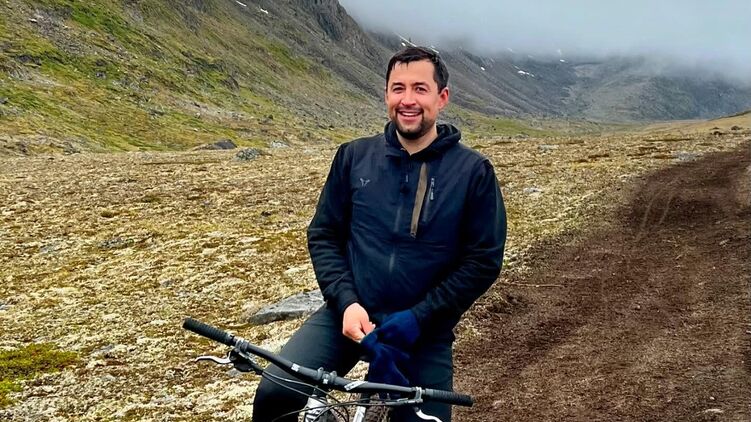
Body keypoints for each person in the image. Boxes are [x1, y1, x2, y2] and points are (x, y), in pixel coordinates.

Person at [253, 46, 506, 422]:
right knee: (276, 392)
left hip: (423, 331)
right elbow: (324, 234)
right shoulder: (353, 157)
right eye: (398, 88)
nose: (408, 100)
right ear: (386, 94)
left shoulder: (473, 172)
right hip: (348, 316)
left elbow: (483, 260)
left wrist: (420, 317)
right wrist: (346, 302)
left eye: (420, 89)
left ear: (442, 97)